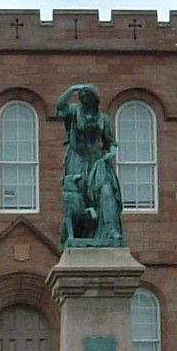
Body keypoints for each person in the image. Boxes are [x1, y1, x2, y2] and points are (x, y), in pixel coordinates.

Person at [54, 84, 125, 248]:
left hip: (97, 159)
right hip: (77, 158)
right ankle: (78, 233)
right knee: (78, 195)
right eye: (82, 97)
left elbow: (110, 142)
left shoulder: (104, 118)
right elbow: (60, 107)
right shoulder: (74, 112)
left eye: (88, 96)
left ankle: (110, 230)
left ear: (95, 99)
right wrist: (71, 89)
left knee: (105, 191)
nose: (84, 99)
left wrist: (112, 153)